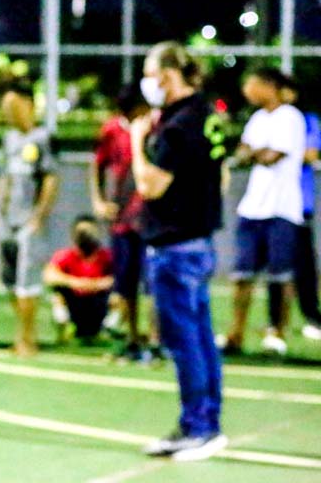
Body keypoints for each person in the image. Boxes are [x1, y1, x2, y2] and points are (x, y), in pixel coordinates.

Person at [132, 41, 227, 461]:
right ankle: (207, 422)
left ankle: (198, 428)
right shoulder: (206, 115)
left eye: (150, 75)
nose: (147, 83)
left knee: (184, 341)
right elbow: (220, 175)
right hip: (199, 239)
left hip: (175, 246)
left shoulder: (178, 125)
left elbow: (149, 185)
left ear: (168, 76)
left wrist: (137, 141)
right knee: (201, 338)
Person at [220, 67, 305, 356]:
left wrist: (253, 153)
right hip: (252, 207)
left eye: (251, 84)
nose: (247, 91)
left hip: (282, 208)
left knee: (280, 276)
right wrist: (255, 152)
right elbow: (244, 152)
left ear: (269, 86)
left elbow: (271, 156)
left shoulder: (290, 117)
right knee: (242, 273)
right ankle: (235, 334)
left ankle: (277, 334)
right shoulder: (257, 119)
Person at [90, 83, 161, 362]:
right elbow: (97, 164)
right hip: (123, 218)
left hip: (152, 217)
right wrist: (99, 200)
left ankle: (155, 339)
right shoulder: (112, 130)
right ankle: (132, 337)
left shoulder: (157, 128)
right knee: (126, 281)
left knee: (154, 281)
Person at [0, 79, 59, 357]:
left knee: (27, 281)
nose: (8, 112)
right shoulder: (9, 139)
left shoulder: (43, 138)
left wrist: (39, 216)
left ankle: (28, 337)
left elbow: (50, 179)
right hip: (6, 220)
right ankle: (19, 333)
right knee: (8, 281)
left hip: (27, 219)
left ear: (28, 104)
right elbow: (6, 175)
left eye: (12, 106)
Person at [278, 79, 321, 340]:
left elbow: (311, 154)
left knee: (303, 264)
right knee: (276, 269)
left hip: (298, 203)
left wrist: (283, 148)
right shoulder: (270, 119)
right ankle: (275, 325)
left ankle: (313, 317)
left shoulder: (307, 120)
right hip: (273, 206)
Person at [43, 215, 114, 342]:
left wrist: (98, 284)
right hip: (74, 302)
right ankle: (65, 329)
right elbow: (49, 275)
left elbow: (120, 276)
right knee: (57, 296)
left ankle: (107, 329)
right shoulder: (65, 255)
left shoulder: (106, 256)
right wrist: (76, 282)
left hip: (98, 302)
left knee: (120, 296)